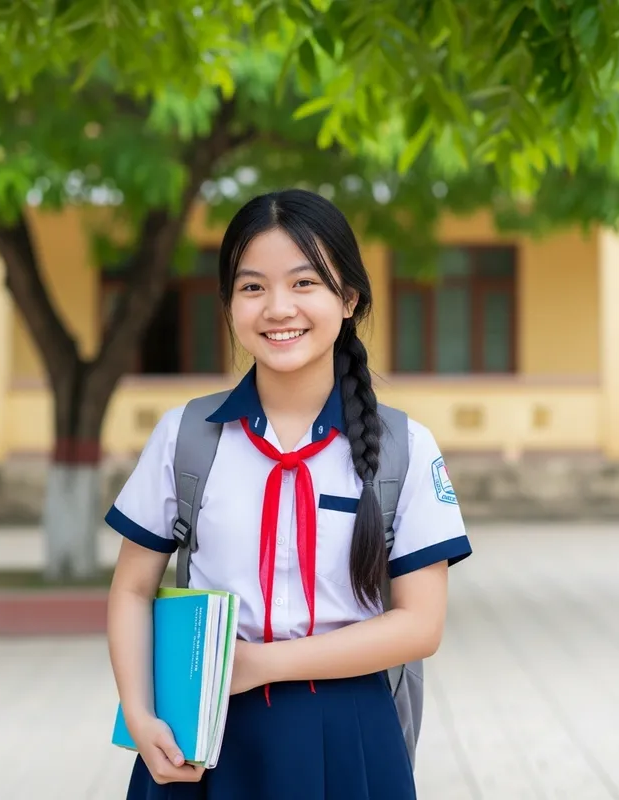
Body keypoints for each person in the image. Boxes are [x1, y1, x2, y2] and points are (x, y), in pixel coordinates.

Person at [105, 189, 472, 799]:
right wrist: (141, 717)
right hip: (202, 736)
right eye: (252, 288)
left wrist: (261, 666)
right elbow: (132, 588)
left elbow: (419, 626)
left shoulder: (406, 446)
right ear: (228, 304)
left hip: (348, 732)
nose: (278, 308)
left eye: (305, 284)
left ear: (348, 299)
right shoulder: (186, 437)